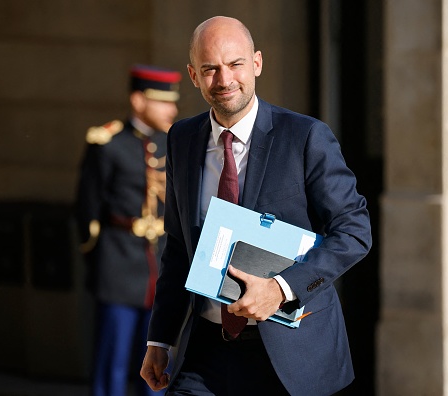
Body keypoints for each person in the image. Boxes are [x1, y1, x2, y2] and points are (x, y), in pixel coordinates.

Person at [140, 16, 372, 396]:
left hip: (291, 357)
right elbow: (179, 246)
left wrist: (281, 289)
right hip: (206, 353)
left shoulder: (306, 137)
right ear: (193, 76)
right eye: (210, 68)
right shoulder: (182, 139)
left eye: (235, 64)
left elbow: (354, 232)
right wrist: (160, 340)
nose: (225, 79)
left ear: (257, 64)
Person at [75, 64, 182, 396]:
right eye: (161, 101)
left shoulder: (177, 144)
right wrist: (99, 263)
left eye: (172, 102)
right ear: (138, 101)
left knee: (158, 369)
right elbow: (86, 209)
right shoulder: (108, 142)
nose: (172, 109)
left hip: (162, 268)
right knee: (114, 365)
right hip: (118, 267)